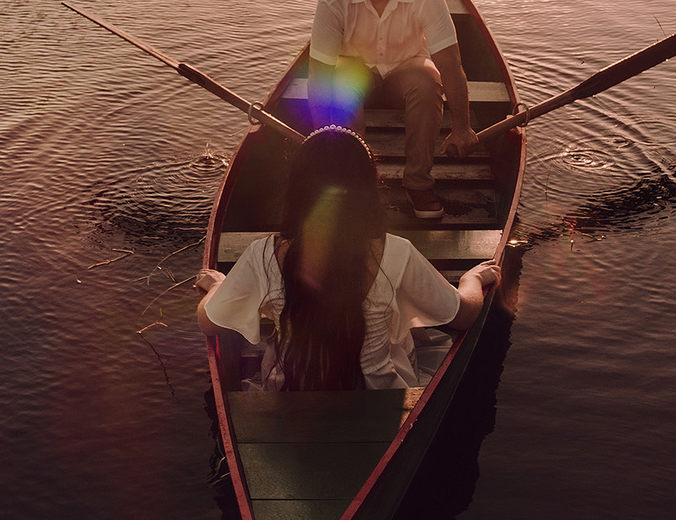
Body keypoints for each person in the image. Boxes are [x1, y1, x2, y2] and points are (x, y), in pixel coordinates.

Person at [195, 127, 500, 391]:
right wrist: (470, 279)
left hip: (291, 390)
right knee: (409, 334)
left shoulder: (262, 254)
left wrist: (218, 286)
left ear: (297, 189)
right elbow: (464, 315)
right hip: (378, 393)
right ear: (367, 189)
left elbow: (208, 323)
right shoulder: (397, 252)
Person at [306, 0, 476, 221]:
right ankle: (356, 182)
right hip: (355, 75)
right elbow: (319, 78)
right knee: (342, 82)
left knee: (428, 81)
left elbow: (451, 68)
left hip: (406, 72)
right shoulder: (333, 1)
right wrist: (323, 139)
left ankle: (418, 184)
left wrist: (462, 128)